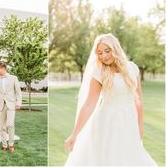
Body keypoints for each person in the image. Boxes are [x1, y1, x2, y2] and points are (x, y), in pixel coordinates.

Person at [64, 34, 157, 166]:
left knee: (129, 157)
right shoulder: (99, 72)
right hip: (106, 122)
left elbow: (138, 100)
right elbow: (89, 104)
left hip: (128, 120)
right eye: (100, 53)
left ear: (115, 48)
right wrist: (74, 134)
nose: (104, 56)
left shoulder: (132, 68)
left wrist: (140, 126)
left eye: (107, 51)